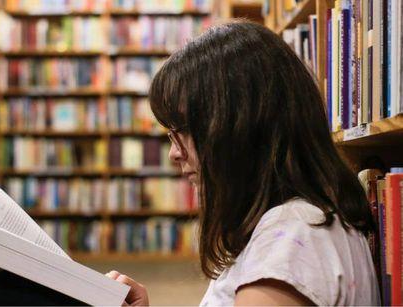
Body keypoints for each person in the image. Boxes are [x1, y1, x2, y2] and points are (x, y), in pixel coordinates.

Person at [106, 21, 380, 306]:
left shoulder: (290, 241)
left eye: (183, 131)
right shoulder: (303, 222)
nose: (173, 154)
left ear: (237, 128)